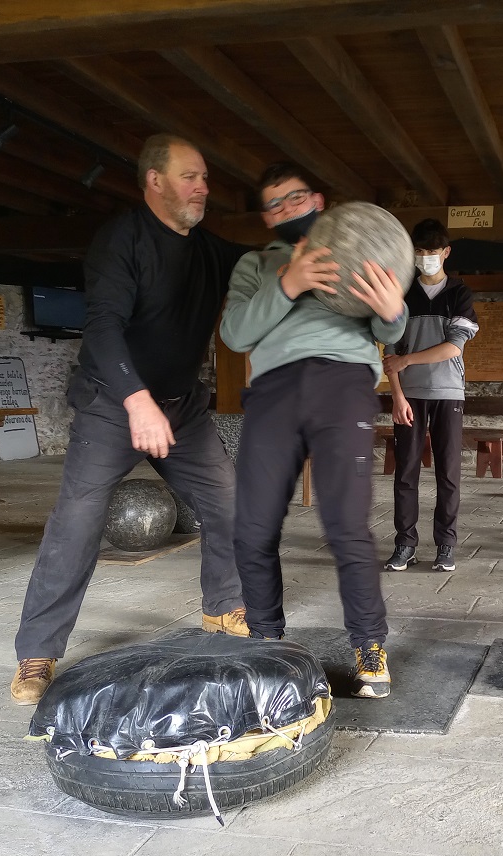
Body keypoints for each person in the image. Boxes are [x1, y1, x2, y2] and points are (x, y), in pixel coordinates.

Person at [11, 134, 245, 705]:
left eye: (205, 178)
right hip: (111, 404)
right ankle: (37, 651)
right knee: (78, 520)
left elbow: (270, 276)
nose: (203, 188)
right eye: (190, 176)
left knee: (231, 502)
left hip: (182, 407)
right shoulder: (122, 240)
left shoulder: (213, 251)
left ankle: (225, 610)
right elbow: (104, 327)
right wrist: (136, 400)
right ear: (155, 181)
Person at [220, 163, 408, 699]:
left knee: (347, 526)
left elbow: (385, 323)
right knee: (253, 528)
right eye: (273, 205)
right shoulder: (256, 263)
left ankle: (369, 644)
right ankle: (264, 641)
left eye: (293, 199)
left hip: (342, 383)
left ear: (318, 200)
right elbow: (235, 333)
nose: (284, 211)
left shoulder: (356, 251)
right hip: (272, 394)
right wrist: (288, 283)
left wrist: (394, 314)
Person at [381, 218, 479, 574]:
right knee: (405, 472)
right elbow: (389, 353)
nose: (426, 258)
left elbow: (453, 348)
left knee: (448, 473)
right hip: (409, 396)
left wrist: (407, 359)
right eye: (419, 253)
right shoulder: (402, 295)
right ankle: (404, 544)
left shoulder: (459, 293)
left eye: (432, 252)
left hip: (448, 392)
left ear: (446, 253)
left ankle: (445, 545)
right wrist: (397, 397)